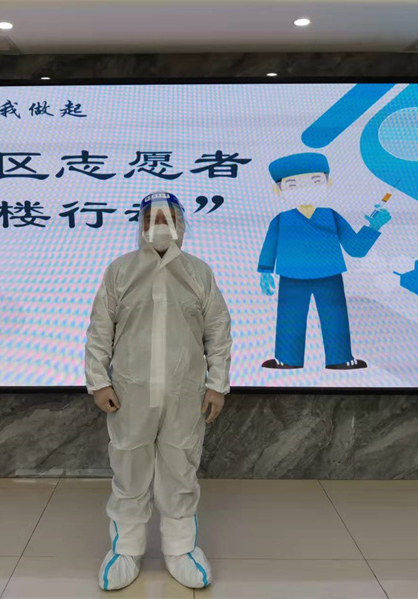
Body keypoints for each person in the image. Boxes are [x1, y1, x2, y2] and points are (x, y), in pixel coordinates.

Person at [85, 191, 232, 591]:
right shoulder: (120, 271)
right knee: (129, 467)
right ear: (140, 225)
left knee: (180, 468)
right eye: (151, 219)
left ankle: (181, 549)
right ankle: (126, 548)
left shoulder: (199, 273)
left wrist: (217, 385)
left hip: (185, 394)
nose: (159, 226)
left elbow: (218, 331)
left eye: (167, 219)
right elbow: (100, 329)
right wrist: (99, 381)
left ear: (182, 224)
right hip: (129, 393)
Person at [258, 152, 390, 370]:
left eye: (315, 181)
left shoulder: (331, 216)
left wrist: (373, 227)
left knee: (335, 317)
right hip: (292, 276)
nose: (304, 189)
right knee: (290, 319)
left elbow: (355, 249)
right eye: (292, 185)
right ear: (278, 190)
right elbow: (269, 246)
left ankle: (340, 358)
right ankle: (286, 359)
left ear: (328, 183)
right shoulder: (281, 219)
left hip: (329, 275)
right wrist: (265, 272)